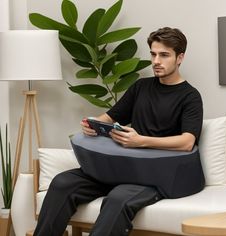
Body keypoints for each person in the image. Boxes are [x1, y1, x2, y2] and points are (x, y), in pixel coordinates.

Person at [33, 27, 203, 236]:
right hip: (120, 165)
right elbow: (109, 118)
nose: (156, 61)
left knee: (117, 199)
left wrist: (140, 141)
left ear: (180, 57)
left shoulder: (190, 97)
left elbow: (187, 142)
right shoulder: (141, 87)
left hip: (153, 174)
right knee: (62, 182)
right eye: (153, 54)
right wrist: (92, 123)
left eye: (164, 55)